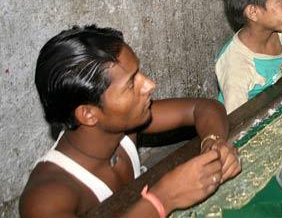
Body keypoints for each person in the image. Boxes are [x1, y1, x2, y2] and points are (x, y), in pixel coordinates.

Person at [20, 25, 241, 217]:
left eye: (139, 73)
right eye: (130, 83)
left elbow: (202, 108)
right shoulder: (45, 198)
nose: (150, 85)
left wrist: (214, 142)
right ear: (88, 114)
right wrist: (164, 197)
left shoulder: (124, 128)